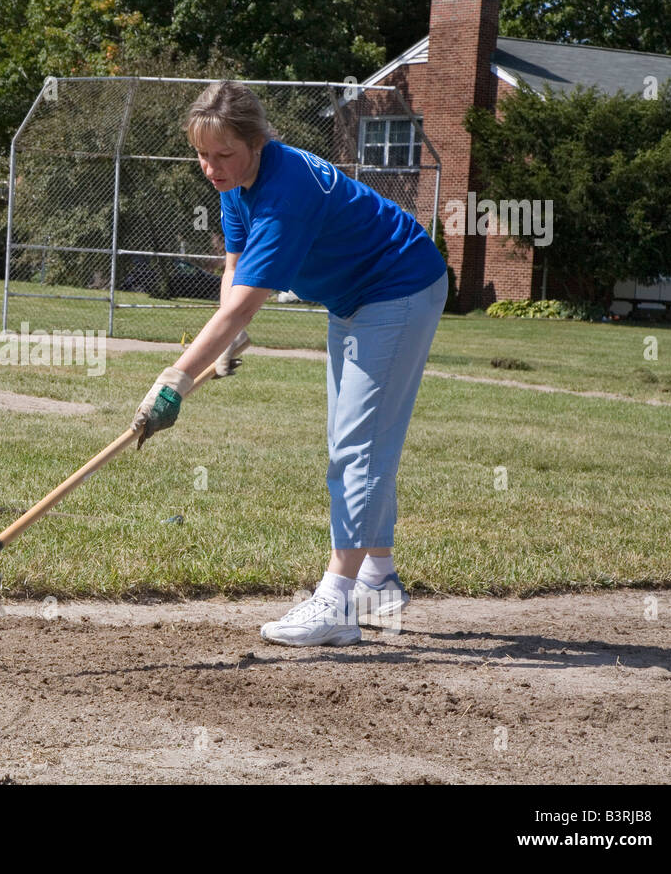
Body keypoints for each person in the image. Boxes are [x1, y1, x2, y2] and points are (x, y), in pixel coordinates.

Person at [133, 80, 448, 647]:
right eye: (202, 155)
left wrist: (173, 381)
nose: (212, 167)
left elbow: (245, 306)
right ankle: (378, 580)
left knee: (358, 445)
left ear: (257, 143)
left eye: (223, 154)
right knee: (352, 441)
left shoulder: (285, 193)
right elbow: (233, 272)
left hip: (399, 287)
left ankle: (336, 601)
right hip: (354, 298)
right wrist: (228, 340)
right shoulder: (237, 182)